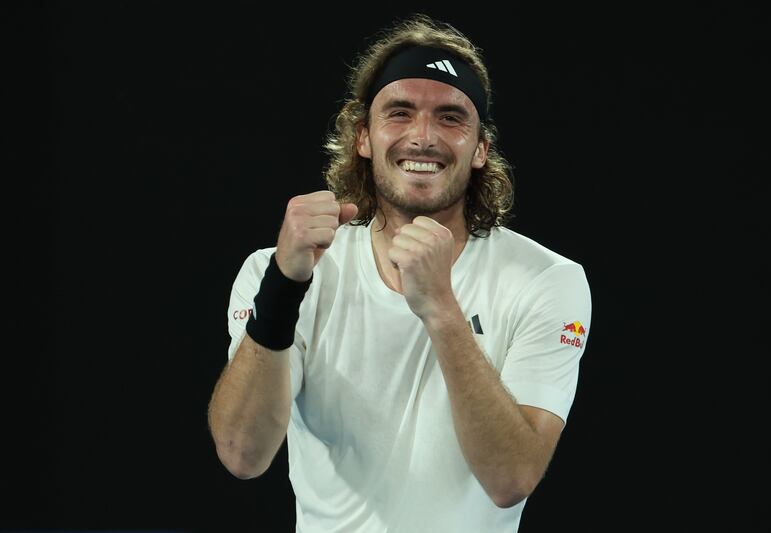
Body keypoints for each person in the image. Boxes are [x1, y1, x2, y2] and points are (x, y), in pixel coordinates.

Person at [208, 13, 591, 533]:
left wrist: (441, 307)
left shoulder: (548, 280)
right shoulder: (275, 272)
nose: (424, 136)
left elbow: (510, 478)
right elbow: (241, 454)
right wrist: (282, 288)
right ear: (363, 137)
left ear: (480, 149)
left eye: (452, 117)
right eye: (400, 112)